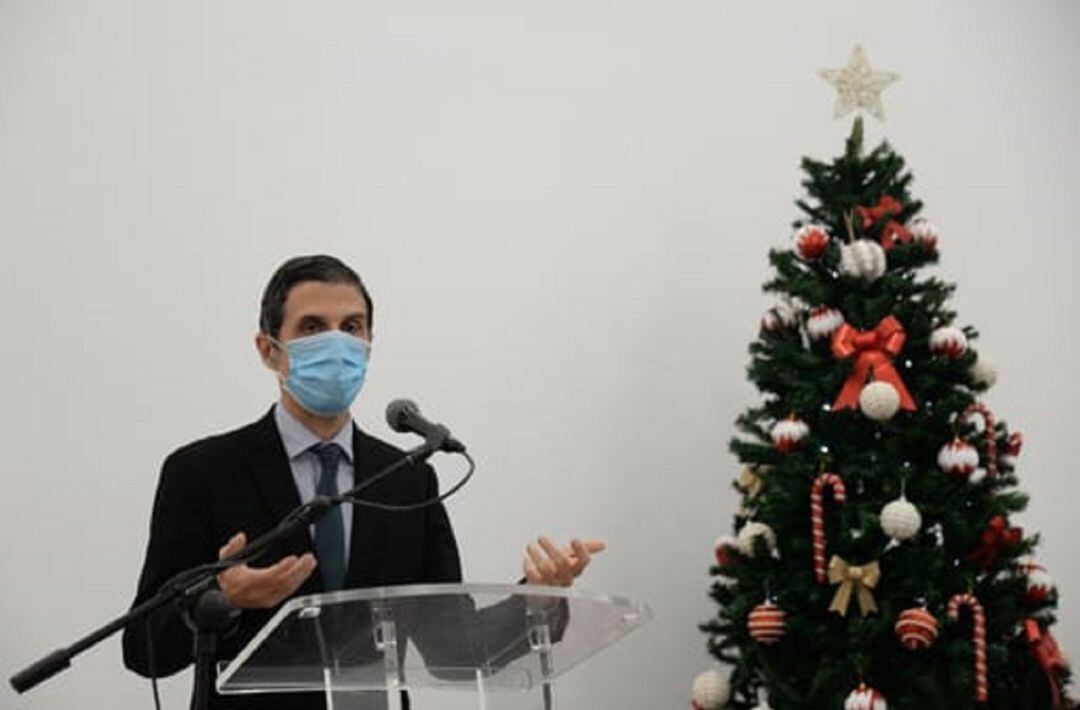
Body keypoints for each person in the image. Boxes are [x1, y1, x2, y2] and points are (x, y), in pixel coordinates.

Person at [121, 255, 604, 709]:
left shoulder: (406, 480)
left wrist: (537, 600)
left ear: (369, 343)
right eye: (313, 328)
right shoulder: (202, 472)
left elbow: (453, 648)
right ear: (269, 351)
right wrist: (220, 600)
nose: (337, 343)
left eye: (351, 328)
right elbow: (143, 651)